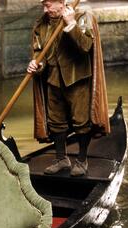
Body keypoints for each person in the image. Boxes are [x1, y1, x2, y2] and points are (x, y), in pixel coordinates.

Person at [27, 0, 110, 176]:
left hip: (77, 79)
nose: (45, 9)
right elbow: (39, 51)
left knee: (81, 122)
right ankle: (61, 159)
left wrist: (71, 23)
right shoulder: (41, 24)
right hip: (53, 80)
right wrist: (37, 64)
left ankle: (81, 160)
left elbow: (86, 46)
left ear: (61, 2)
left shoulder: (82, 17)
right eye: (44, 5)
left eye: (49, 5)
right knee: (56, 122)